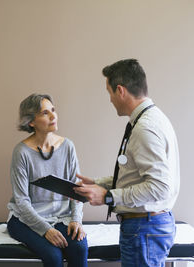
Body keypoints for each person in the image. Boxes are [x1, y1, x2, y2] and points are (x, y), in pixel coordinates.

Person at [74, 59, 180, 267]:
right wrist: (100, 183)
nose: (110, 100)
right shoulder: (149, 120)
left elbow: (159, 187)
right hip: (146, 227)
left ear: (120, 90)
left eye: (109, 93)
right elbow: (137, 175)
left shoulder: (145, 128)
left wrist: (108, 196)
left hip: (144, 228)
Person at [7, 93, 88, 267]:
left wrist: (76, 220)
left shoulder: (68, 147)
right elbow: (22, 202)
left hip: (62, 217)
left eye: (53, 110)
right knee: (53, 256)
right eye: (45, 113)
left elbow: (77, 191)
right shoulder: (21, 152)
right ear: (31, 122)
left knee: (79, 248)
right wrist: (45, 230)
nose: (53, 116)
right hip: (26, 219)